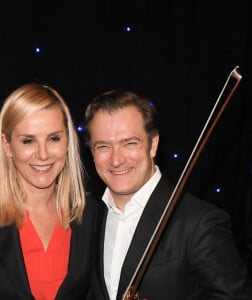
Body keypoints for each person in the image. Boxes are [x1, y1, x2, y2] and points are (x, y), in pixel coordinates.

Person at [83, 89, 252, 300]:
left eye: (129, 143)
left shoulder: (200, 222)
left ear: (153, 144)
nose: (116, 160)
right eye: (104, 146)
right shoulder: (89, 216)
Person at [0, 83, 96, 300]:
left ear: (68, 141)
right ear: (7, 145)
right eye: (28, 141)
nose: (43, 154)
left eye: (54, 138)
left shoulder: (90, 213)